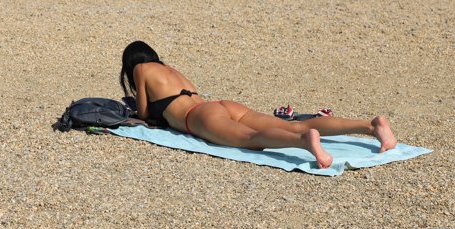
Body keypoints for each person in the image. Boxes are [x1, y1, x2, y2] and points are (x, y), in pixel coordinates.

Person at [119, 41, 397, 169]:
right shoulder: (169, 68)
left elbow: (144, 113)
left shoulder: (141, 69)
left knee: (251, 140)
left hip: (198, 116)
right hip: (221, 104)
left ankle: (304, 142)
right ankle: (371, 126)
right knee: (296, 122)